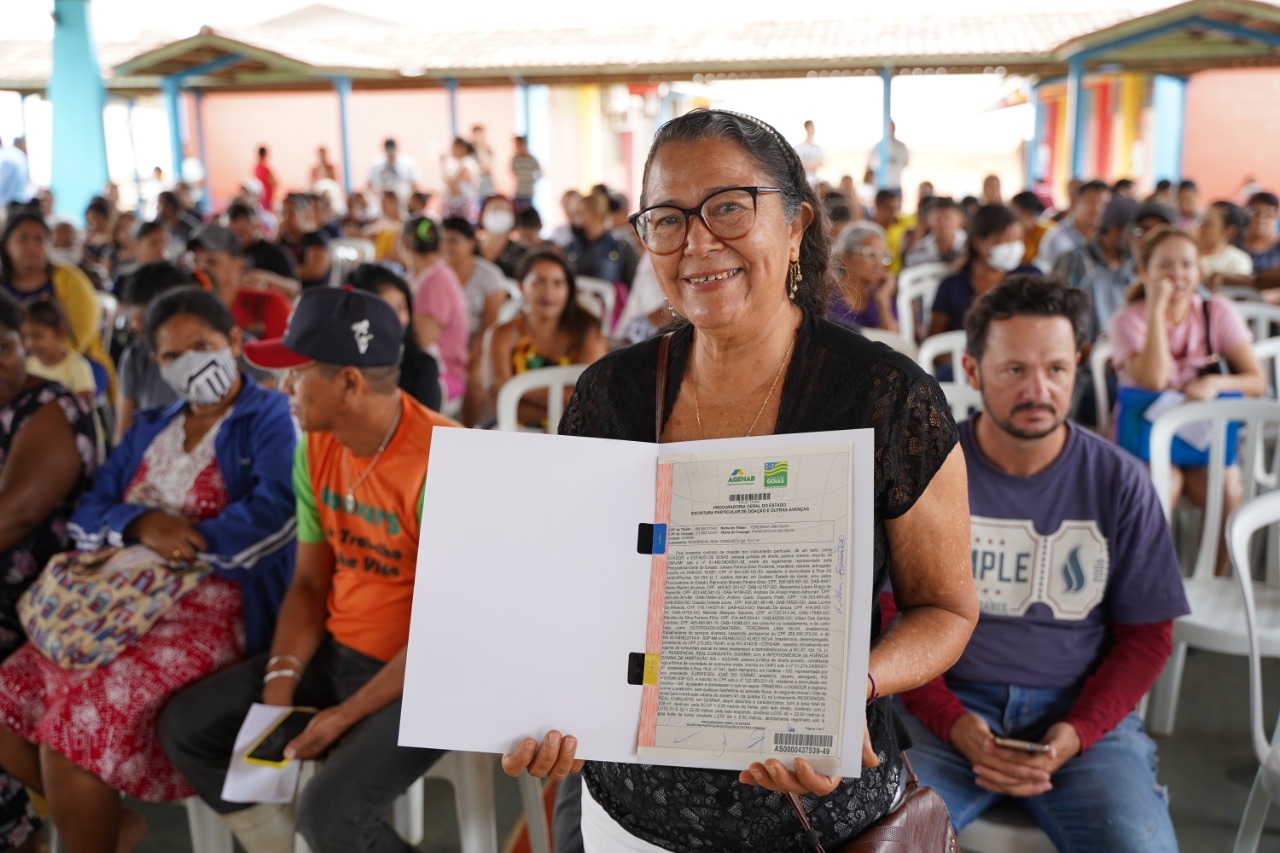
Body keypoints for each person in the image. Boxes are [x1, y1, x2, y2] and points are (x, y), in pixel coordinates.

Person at [506, 108, 977, 852]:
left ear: (794, 226)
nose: (697, 241)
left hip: (814, 816)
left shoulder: (886, 397)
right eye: (667, 218)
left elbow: (946, 610)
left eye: (728, 206)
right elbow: (576, 590)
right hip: (631, 814)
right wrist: (541, 700)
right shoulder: (611, 393)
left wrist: (849, 686)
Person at [890, 275, 1186, 851]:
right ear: (973, 373)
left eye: (1056, 369)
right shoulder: (929, 472)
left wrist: (1079, 732)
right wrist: (950, 720)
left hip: (1081, 712)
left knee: (1141, 843)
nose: (1039, 390)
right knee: (879, 841)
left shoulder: (1120, 481)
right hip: (942, 710)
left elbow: (1147, 636)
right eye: (1014, 370)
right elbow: (888, 616)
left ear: (1078, 366)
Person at [160, 287, 457, 853]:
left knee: (329, 815)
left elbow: (447, 635)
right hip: (340, 654)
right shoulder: (315, 447)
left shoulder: (445, 461)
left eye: (297, 373)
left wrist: (343, 717)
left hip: (423, 679)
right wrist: (280, 684)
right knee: (187, 727)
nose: (282, 387)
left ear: (348, 383)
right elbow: (309, 583)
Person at [0, 285, 295, 853]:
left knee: (71, 733)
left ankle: (96, 836)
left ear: (234, 341)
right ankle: (112, 830)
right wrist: (141, 525)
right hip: (120, 605)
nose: (190, 364)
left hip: (212, 610)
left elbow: (276, 515)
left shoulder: (267, 417)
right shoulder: (151, 426)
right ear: (155, 363)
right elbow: (90, 512)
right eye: (170, 355)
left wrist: (190, 541)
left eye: (203, 345)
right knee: (10, 696)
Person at [0, 289, 98, 851]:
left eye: (6, 346)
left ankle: (31, 834)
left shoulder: (52, 410)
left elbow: (18, 513)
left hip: (41, 601)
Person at [1109, 226, 1265, 571]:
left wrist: (1217, 385)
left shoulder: (1217, 312)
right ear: (1144, 271)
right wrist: (1155, 310)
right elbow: (1154, 379)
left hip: (1204, 441)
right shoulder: (1127, 320)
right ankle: (1148, 586)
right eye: (1166, 265)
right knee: (1160, 486)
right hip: (1144, 442)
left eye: (1187, 265)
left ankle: (1213, 582)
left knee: (1227, 491)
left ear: (1199, 271)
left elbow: (1257, 380)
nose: (1177, 275)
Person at [0, 212, 116, 402]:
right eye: (23, 238)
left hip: (71, 357)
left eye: (40, 239)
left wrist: (42, 355)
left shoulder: (70, 279)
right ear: (6, 246)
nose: (32, 246)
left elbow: (82, 335)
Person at [486, 249, 606, 425]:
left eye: (558, 283)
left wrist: (518, 392)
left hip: (574, 435)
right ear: (521, 287)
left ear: (569, 289)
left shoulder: (587, 330)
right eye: (539, 282)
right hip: (515, 432)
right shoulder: (502, 334)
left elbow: (590, 398)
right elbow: (498, 403)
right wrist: (565, 401)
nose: (549, 291)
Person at [345, 263, 442, 411]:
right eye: (386, 310)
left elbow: (424, 430)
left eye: (401, 307)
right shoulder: (340, 365)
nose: (398, 319)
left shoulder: (422, 367)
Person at [930, 204, 1037, 337]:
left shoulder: (1031, 278)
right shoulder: (952, 286)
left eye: (1017, 239)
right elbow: (933, 344)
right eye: (1005, 240)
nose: (1013, 247)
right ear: (977, 242)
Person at [113, 262, 189, 441]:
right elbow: (123, 438)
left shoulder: (227, 355)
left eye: (151, 328)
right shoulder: (136, 356)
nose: (148, 342)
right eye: (139, 332)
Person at [400, 217, 470, 406]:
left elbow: (421, 340)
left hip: (443, 375)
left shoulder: (435, 281)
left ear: (404, 243)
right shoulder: (419, 277)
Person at [189, 224, 292, 342]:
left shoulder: (268, 304)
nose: (200, 269)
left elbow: (288, 356)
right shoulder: (186, 309)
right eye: (195, 262)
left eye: (212, 262)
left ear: (237, 265)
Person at [441, 216, 509, 341]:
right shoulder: (434, 275)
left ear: (472, 242)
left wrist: (474, 357)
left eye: (453, 241)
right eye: (442, 241)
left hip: (479, 345)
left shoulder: (489, 275)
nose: (446, 247)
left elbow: (490, 325)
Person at [828, 221, 898, 334]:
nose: (880, 264)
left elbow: (896, 344)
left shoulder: (884, 295)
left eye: (883, 256)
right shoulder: (828, 298)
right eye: (871, 254)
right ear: (845, 257)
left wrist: (882, 303)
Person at [560, 191, 639, 290]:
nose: (575, 220)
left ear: (596, 214)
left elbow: (634, 286)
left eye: (579, 214)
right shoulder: (568, 250)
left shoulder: (622, 247)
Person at [20, 298, 95, 400]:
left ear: (60, 332)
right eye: (25, 336)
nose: (30, 343)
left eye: (37, 336)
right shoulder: (27, 365)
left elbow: (84, 406)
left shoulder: (76, 366)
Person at [1035, 180, 1109, 271]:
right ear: (1075, 203)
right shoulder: (1057, 239)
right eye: (1091, 202)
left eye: (1104, 204)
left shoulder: (1107, 241)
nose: (1098, 209)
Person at [226, 201, 298, 283]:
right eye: (232, 234)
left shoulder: (275, 253)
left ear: (256, 226)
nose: (238, 239)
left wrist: (266, 278)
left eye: (242, 233)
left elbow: (295, 287)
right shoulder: (225, 253)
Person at [275, 194, 331, 290]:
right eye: (283, 213)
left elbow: (315, 271)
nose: (286, 217)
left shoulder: (315, 238)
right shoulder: (280, 240)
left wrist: (279, 276)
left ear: (304, 214)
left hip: (312, 292)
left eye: (291, 213)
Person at [1199, 200, 1254, 284]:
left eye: (1208, 224)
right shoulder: (1188, 253)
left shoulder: (1238, 262)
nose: (1201, 227)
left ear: (1229, 231)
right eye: (1202, 221)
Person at [904, 196, 967, 269]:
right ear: (927, 221)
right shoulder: (918, 251)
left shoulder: (970, 247)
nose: (943, 224)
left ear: (960, 220)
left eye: (948, 218)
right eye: (937, 219)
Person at [476, 195, 526, 277]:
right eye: (495, 209)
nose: (499, 215)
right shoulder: (469, 249)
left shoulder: (521, 254)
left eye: (505, 210)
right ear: (482, 216)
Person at [367, 137, 419, 202]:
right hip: (381, 202)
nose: (390, 154)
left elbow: (415, 185)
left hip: (403, 202)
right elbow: (369, 184)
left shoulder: (408, 164)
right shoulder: (375, 165)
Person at [440, 138, 480, 221]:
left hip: (464, 211)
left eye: (453, 147)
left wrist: (443, 165)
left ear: (461, 148)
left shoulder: (468, 164)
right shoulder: (455, 164)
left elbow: (453, 183)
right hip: (454, 210)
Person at [1242, 191, 1280, 274]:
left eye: (1268, 215)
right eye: (1256, 213)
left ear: (1276, 218)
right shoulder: (1235, 241)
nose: (1261, 220)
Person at [866, 120, 909, 190]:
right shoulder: (878, 146)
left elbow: (905, 162)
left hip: (895, 183)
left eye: (891, 127)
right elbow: (870, 163)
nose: (889, 130)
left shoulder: (901, 146)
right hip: (880, 184)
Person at [1010, 191, 1049, 265]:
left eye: (1013, 211)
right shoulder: (1015, 234)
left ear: (1027, 213)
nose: (1010, 216)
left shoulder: (1046, 233)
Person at [511, 136, 542, 211]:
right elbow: (513, 172)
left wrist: (533, 181)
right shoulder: (515, 159)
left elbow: (540, 172)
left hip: (528, 192)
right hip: (518, 191)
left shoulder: (532, 159)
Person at [251, 147, 278, 215]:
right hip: (267, 197)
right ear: (265, 154)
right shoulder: (265, 168)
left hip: (260, 196)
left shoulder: (256, 167)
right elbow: (274, 182)